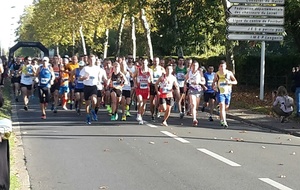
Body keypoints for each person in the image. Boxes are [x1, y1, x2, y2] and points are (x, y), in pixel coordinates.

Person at [212, 60, 237, 128]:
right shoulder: (217, 74)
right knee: (222, 106)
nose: (222, 68)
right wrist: (214, 87)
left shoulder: (229, 73)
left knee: (225, 108)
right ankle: (225, 121)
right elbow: (213, 83)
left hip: (228, 92)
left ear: (226, 67)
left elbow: (235, 82)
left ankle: (221, 119)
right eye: (221, 66)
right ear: (219, 67)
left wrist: (230, 82)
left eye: (223, 66)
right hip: (220, 92)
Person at [79, 54, 103, 124]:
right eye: (91, 60)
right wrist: (84, 78)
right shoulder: (85, 68)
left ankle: (93, 110)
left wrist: (100, 81)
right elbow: (79, 78)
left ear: (95, 60)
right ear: (88, 60)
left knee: (94, 100)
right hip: (86, 86)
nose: (92, 61)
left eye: (93, 60)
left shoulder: (97, 68)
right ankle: (88, 116)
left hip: (94, 86)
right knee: (87, 103)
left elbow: (100, 77)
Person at [184, 61, 206, 126]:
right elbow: (185, 80)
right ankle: (194, 119)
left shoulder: (200, 72)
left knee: (196, 105)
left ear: (198, 66)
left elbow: (204, 81)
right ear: (191, 66)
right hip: (191, 89)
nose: (194, 67)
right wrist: (185, 85)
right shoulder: (189, 72)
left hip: (198, 90)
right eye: (193, 65)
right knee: (193, 104)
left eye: (196, 66)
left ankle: (193, 112)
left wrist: (199, 82)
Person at [134, 58, 153, 124]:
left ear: (147, 63)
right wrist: (135, 83)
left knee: (144, 105)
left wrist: (149, 81)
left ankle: (141, 118)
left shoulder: (150, 70)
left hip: (146, 89)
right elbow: (133, 76)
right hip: (139, 88)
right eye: (143, 63)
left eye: (145, 63)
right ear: (142, 63)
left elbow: (151, 80)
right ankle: (139, 114)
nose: (144, 64)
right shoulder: (138, 70)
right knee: (140, 102)